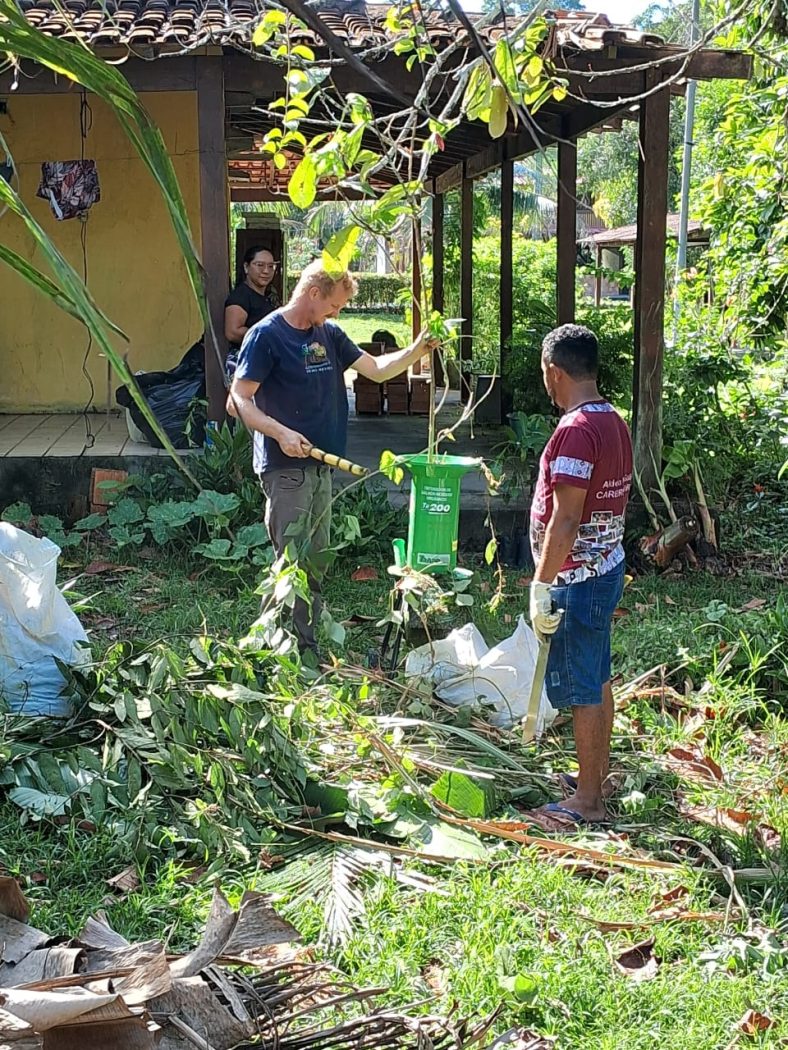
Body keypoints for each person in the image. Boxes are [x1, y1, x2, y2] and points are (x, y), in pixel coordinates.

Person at [230, 260, 437, 655]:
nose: (337, 313)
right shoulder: (266, 336)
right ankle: (287, 649)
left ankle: (292, 642)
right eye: (334, 305)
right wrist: (280, 432)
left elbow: (376, 370)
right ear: (313, 293)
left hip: (323, 465)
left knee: (316, 558)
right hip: (285, 467)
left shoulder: (330, 333)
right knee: (291, 561)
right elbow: (238, 400)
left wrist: (418, 349)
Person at [528, 323, 632, 826]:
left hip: (578, 578)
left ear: (555, 372)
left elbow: (566, 518)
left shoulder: (574, 430)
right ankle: (594, 774)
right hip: (607, 565)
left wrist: (541, 583)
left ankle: (587, 801)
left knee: (582, 685)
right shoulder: (612, 419)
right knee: (598, 674)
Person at [224, 246, 279, 372]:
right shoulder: (241, 296)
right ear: (246, 267)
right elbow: (232, 332)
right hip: (247, 363)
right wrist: (270, 335)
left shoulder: (268, 296)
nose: (266, 271)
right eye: (260, 265)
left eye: (271, 266)